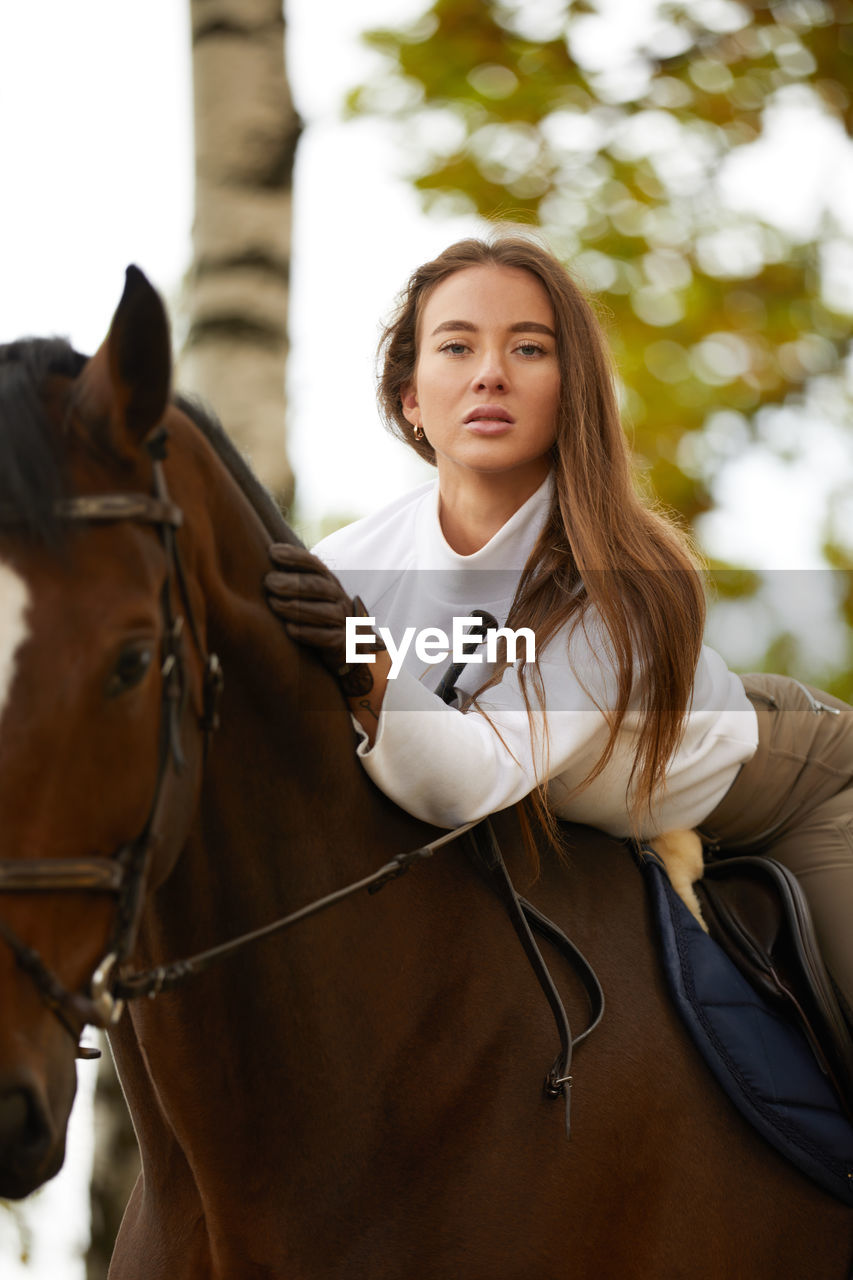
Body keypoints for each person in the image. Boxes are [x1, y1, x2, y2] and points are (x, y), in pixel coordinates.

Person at [265, 234, 853, 1021]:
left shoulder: (620, 582)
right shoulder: (346, 565)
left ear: (570, 389)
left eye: (529, 348)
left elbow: (466, 782)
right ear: (409, 396)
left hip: (786, 787)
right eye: (455, 345)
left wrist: (361, 658)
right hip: (611, 802)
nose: (489, 373)